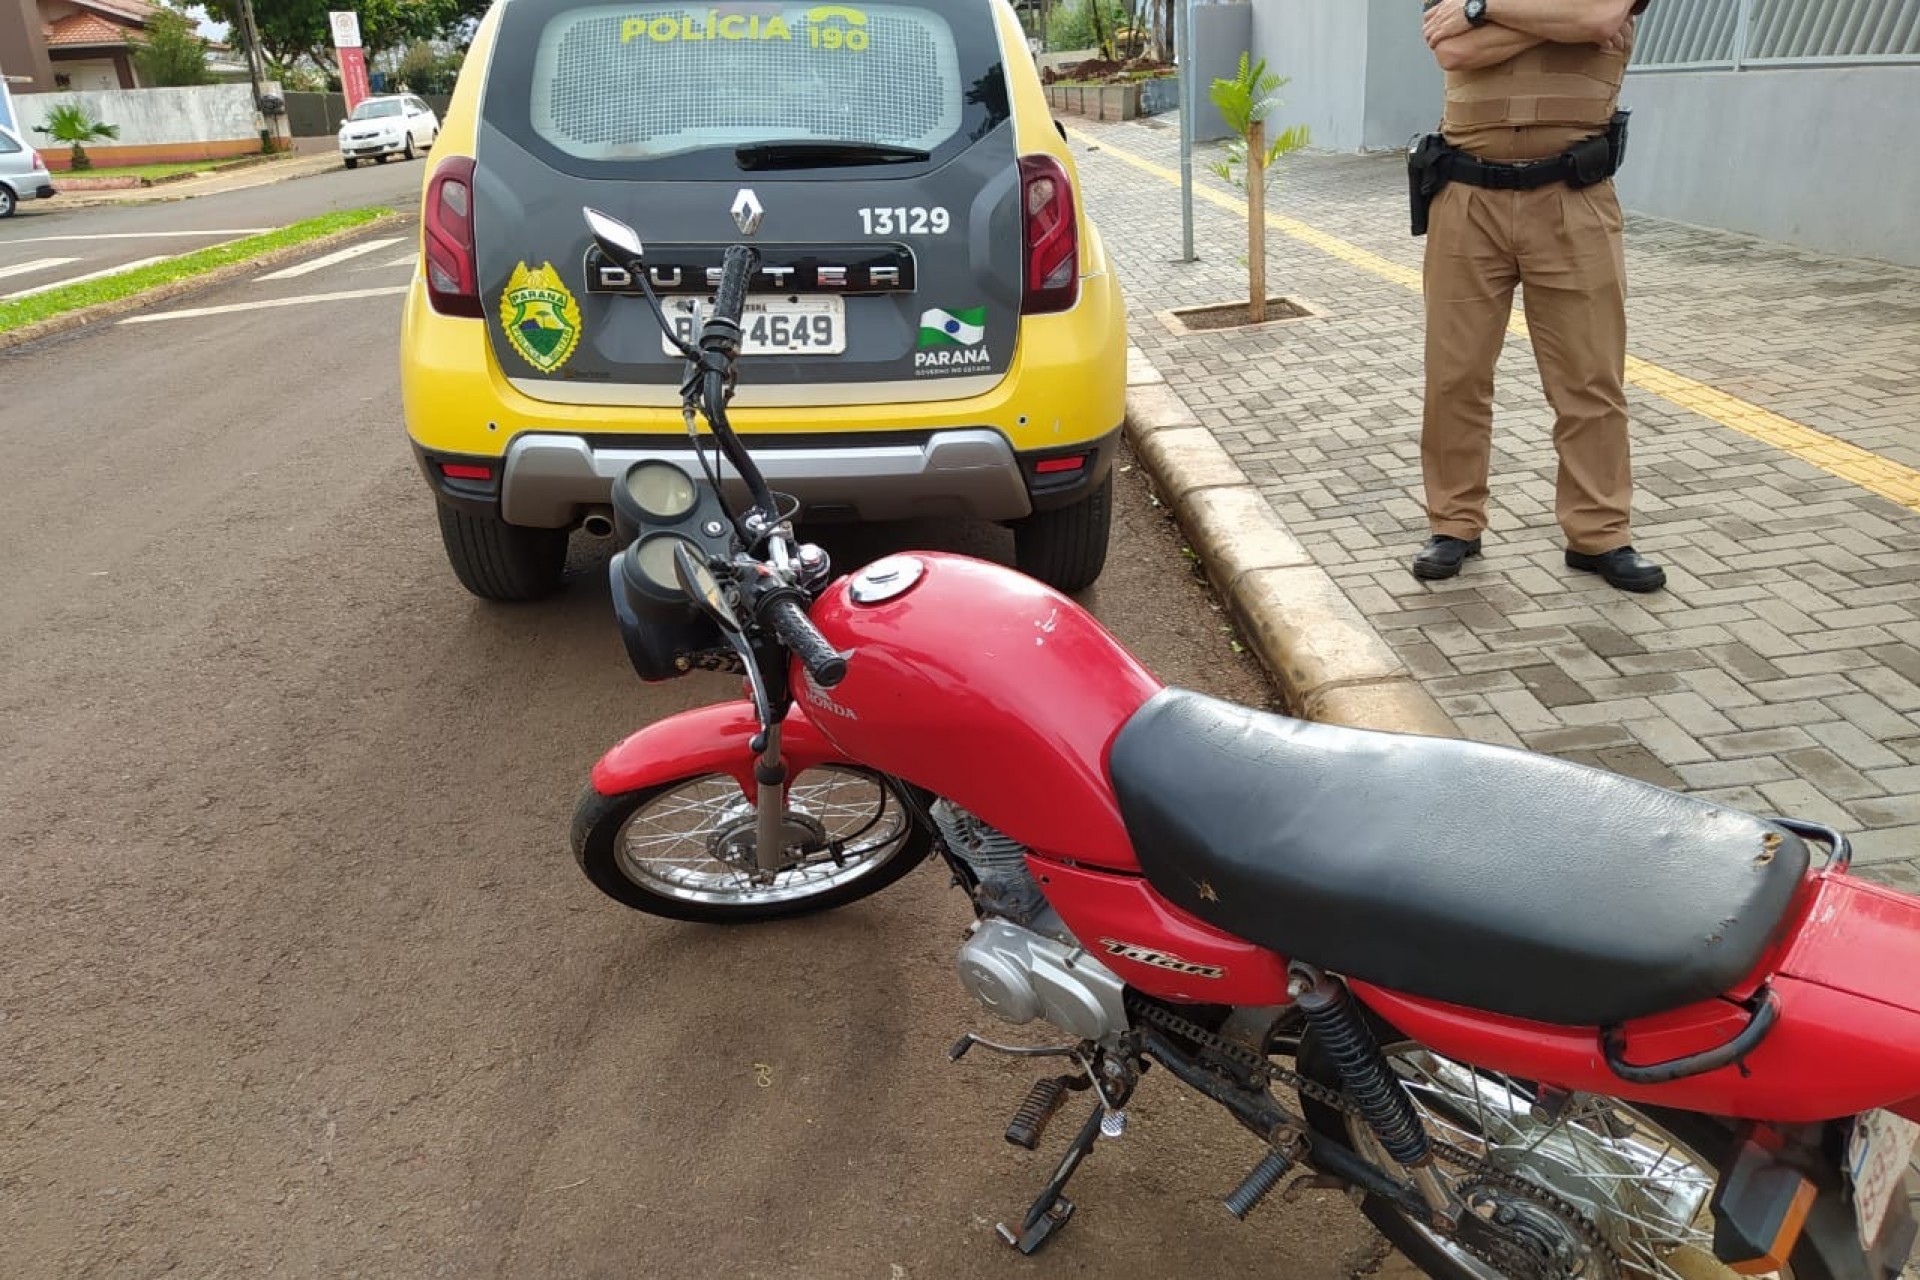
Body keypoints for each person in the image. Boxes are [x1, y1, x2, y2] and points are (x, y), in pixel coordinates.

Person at [1408, 0, 1665, 592]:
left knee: (1589, 378)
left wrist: (1483, 10)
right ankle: (1455, 525)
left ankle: (1600, 534)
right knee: (1455, 375)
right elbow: (1453, 51)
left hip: (1573, 199)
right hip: (1466, 198)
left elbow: (1599, 22)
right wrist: (1561, 23)